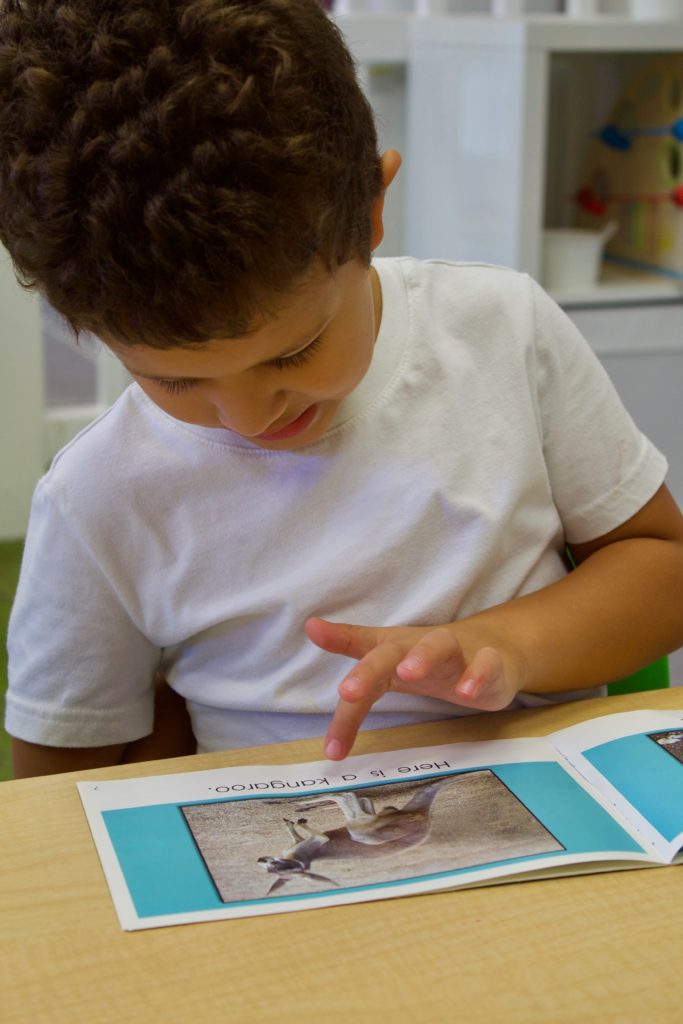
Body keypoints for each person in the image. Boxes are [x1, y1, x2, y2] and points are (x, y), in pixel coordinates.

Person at [2, 0, 683, 779]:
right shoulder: (95, 496)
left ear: (372, 210)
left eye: (295, 351)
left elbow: (660, 567)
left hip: (557, 800)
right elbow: (57, 787)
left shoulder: (500, 330)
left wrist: (507, 645)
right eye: (176, 379)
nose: (249, 417)